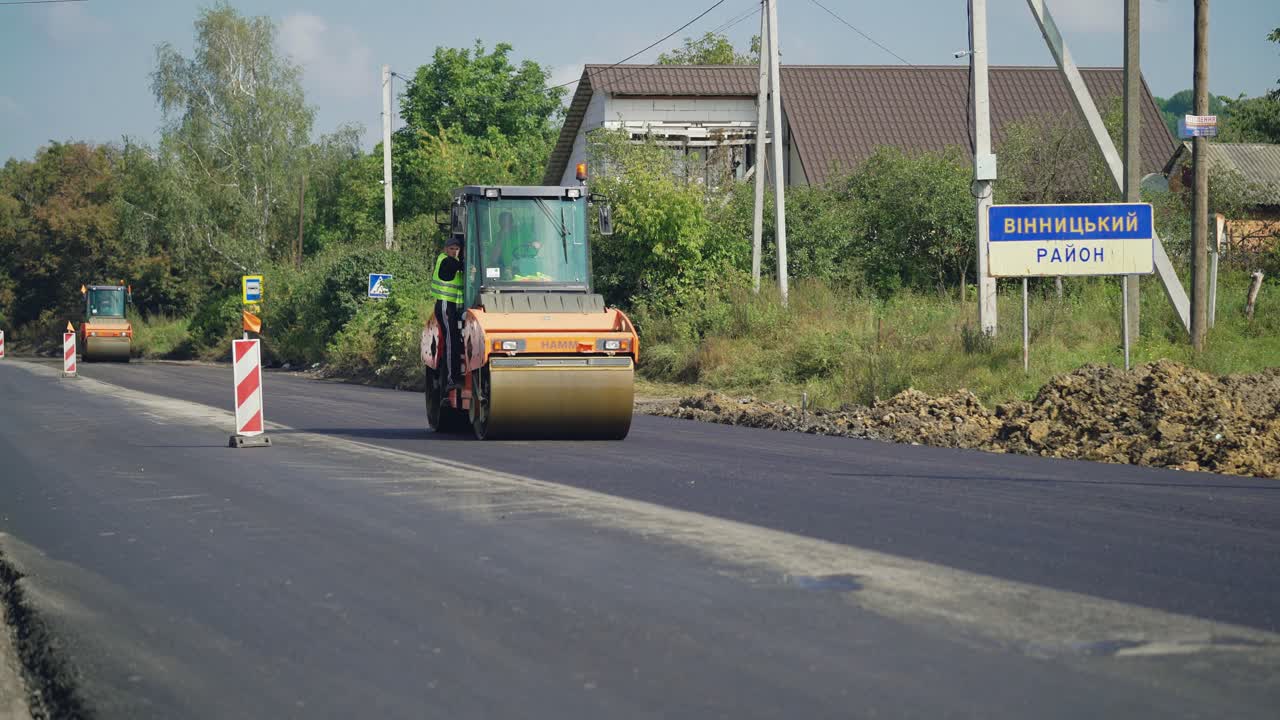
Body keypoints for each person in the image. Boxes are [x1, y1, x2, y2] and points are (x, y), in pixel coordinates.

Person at [430, 235, 465, 390]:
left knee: (453, 341)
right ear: (445, 249)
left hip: (451, 306)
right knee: (451, 342)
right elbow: (454, 266)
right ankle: (452, 379)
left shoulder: (453, 261)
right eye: (452, 248)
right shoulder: (445, 260)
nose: (454, 251)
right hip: (444, 305)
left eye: (457, 249)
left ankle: (450, 375)